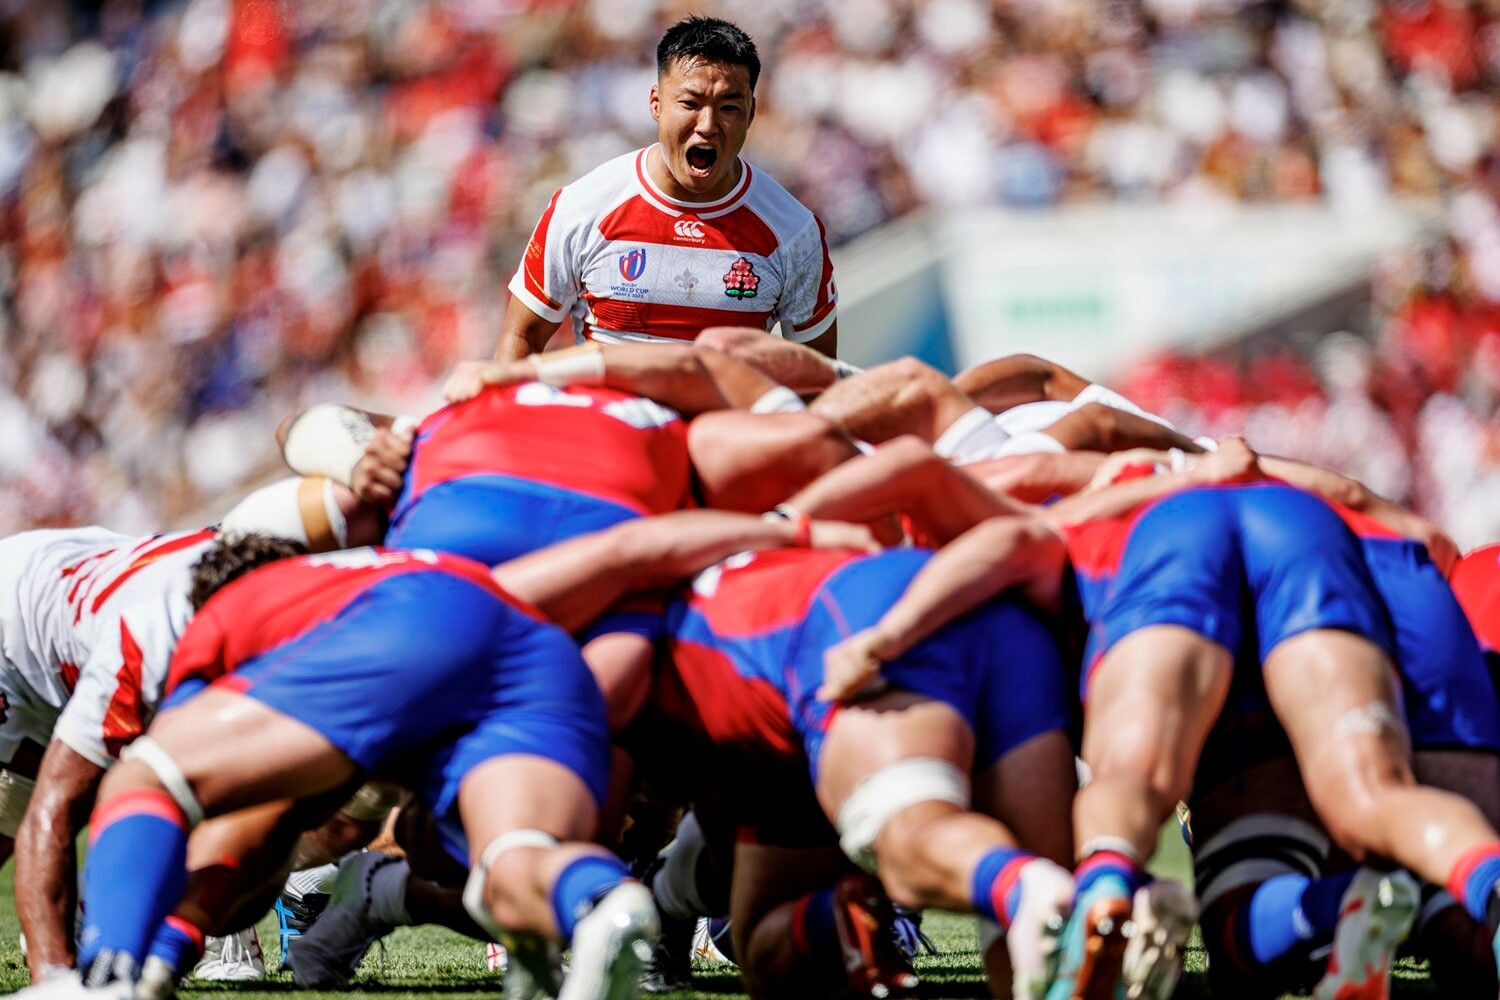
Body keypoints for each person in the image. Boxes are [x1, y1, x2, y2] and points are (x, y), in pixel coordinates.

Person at [10, 477, 384, 986]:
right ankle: (73, 952)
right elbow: (52, 808)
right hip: (18, 643)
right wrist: (54, 982)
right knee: (47, 809)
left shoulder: (287, 550)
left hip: (89, 575)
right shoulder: (146, 641)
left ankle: (155, 924)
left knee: (317, 813)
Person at [496, 17, 838, 362]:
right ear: (656, 104)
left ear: (751, 113)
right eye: (690, 104)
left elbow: (818, 375)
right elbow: (522, 336)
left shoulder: (793, 231)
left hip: (721, 416)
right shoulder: (583, 208)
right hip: (610, 413)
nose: (707, 126)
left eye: (729, 108)